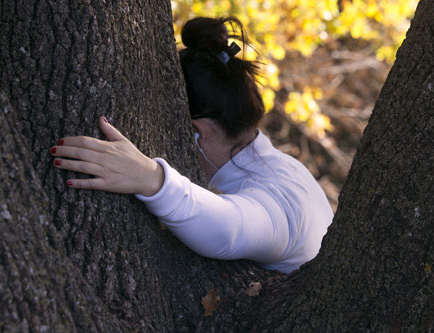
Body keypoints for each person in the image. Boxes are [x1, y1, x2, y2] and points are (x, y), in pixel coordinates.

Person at [49, 17, 333, 273]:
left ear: (198, 133)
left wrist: (151, 179)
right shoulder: (282, 167)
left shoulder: (282, 202)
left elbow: (229, 229)